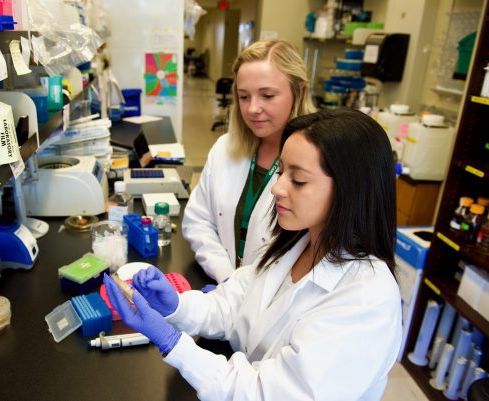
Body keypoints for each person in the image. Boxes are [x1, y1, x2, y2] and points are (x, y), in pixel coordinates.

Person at [104, 109, 402, 401]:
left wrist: (175, 345)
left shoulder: (366, 300)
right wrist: (176, 307)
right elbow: (236, 304)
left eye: (298, 180)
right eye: (281, 171)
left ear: (351, 190)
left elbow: (269, 393)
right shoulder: (296, 242)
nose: (277, 188)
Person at [182, 39, 316, 284]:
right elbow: (198, 220)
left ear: (300, 91)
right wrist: (226, 277)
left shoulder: (319, 166)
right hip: (223, 288)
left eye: (267, 95)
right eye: (244, 97)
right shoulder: (225, 148)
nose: (253, 108)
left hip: (276, 303)